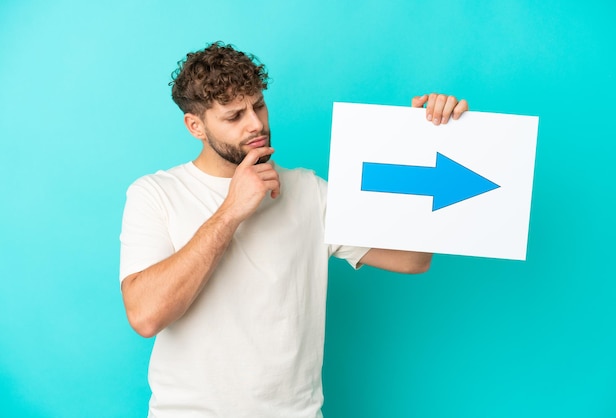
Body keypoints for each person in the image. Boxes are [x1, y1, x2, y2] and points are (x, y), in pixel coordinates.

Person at [119, 41, 469, 417]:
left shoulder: (307, 191)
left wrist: (425, 139)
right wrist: (231, 211)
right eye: (234, 116)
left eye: (258, 106)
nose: (256, 124)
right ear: (195, 126)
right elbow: (146, 315)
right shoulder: (155, 194)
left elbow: (413, 259)